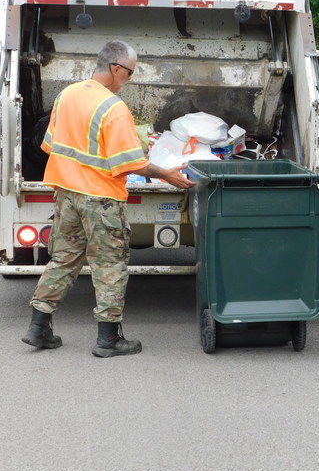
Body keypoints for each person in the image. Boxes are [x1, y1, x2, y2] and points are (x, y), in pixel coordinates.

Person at [21, 40, 195, 357]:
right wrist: (169, 174)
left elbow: (49, 146)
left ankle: (38, 327)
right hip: (100, 200)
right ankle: (109, 340)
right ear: (116, 69)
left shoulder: (66, 95)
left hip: (66, 195)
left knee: (62, 260)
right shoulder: (113, 109)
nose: (129, 79)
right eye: (129, 72)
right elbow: (131, 164)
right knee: (109, 266)